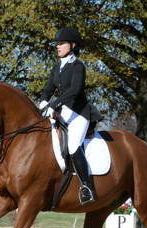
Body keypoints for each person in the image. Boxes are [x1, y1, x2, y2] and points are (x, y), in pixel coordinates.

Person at [38, 27, 101, 205]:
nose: (58, 46)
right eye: (57, 43)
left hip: (79, 113)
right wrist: (43, 102)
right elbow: (48, 89)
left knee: (73, 145)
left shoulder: (78, 66)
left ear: (72, 45)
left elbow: (75, 91)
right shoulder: (57, 67)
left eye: (61, 43)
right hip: (63, 111)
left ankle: (86, 187)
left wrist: (53, 104)